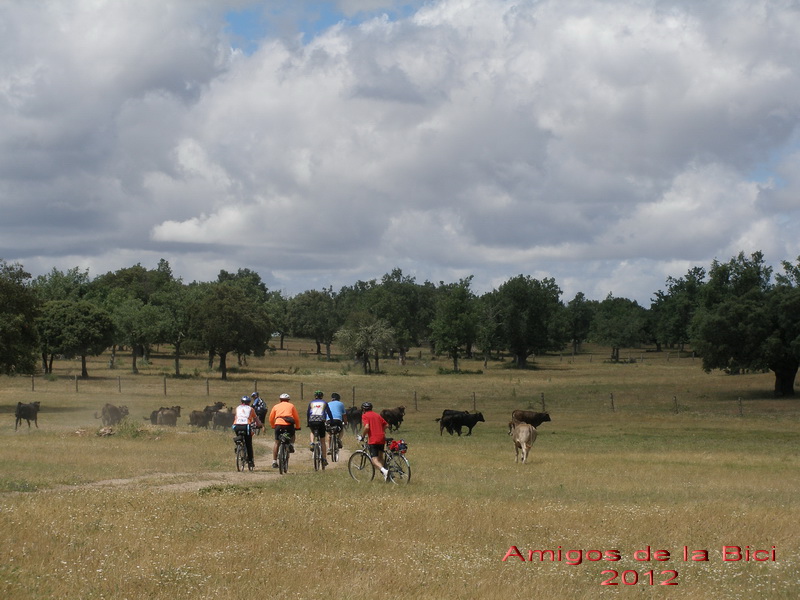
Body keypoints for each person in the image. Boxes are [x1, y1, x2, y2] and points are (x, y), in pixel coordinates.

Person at [358, 402, 390, 481]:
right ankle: (387, 476)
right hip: (382, 438)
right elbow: (387, 425)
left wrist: (363, 436)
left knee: (374, 459)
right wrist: (380, 430)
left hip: (373, 439)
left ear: (364, 409)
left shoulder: (365, 415)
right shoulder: (377, 415)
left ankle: (384, 471)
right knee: (380, 457)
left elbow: (367, 427)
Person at [269, 393, 301, 469]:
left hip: (278, 424)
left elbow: (271, 418)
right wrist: (297, 426)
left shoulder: (276, 406)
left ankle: (274, 461)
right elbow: (296, 418)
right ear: (288, 400)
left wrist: (273, 425)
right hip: (288, 425)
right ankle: (291, 445)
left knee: (277, 442)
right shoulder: (291, 406)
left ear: (280, 400)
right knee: (292, 434)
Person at [232, 395, 262, 468]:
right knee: (248, 444)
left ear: (241, 402)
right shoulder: (251, 409)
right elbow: (256, 419)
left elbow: (236, 417)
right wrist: (259, 425)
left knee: (239, 437)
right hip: (246, 426)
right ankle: (250, 461)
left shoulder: (237, 408)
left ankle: (238, 445)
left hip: (236, 426)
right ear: (249, 402)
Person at [307, 390, 332, 468]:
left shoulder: (311, 403)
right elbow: (329, 412)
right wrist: (331, 420)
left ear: (315, 396)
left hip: (312, 420)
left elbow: (308, 413)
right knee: (322, 441)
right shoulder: (324, 403)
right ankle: (324, 459)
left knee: (312, 431)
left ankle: (311, 443)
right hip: (321, 421)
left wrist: (308, 422)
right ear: (322, 396)